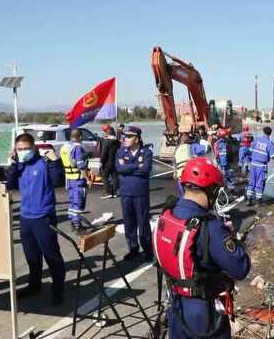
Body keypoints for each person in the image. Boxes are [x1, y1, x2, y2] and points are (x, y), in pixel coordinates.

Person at [153, 157, 250, 338]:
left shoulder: (167, 215)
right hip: (203, 310)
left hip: (175, 304)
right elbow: (240, 268)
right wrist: (235, 242)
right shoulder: (210, 226)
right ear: (211, 190)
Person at [6, 133, 66, 306]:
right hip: (26, 217)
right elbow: (10, 184)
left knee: (51, 255)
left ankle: (58, 290)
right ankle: (34, 286)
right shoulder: (20, 165)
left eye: (26, 148)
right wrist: (13, 163)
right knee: (31, 256)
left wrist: (55, 162)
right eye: (19, 149)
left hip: (43, 217)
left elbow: (58, 181)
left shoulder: (44, 164)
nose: (23, 152)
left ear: (34, 148)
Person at [116, 126, 153, 262]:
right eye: (124, 136)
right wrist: (137, 166)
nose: (125, 139)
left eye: (129, 136)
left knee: (143, 222)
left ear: (137, 139)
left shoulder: (147, 152)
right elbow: (119, 169)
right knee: (129, 222)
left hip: (140, 193)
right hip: (126, 193)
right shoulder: (121, 151)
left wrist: (128, 167)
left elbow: (146, 170)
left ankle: (148, 250)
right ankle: (133, 249)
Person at [60, 129, 89, 231]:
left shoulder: (65, 147)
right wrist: (87, 179)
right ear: (80, 137)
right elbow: (81, 165)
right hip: (78, 179)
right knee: (78, 202)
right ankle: (77, 225)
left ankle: (72, 221)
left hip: (69, 179)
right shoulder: (77, 148)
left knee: (72, 202)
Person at [246, 126, 274, 206]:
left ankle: (249, 199)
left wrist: (248, 161)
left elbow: (249, 151)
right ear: (270, 134)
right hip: (261, 166)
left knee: (251, 182)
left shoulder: (257, 140)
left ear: (263, 132)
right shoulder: (270, 143)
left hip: (253, 164)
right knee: (260, 183)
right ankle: (259, 201)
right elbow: (273, 156)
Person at [174, 131, 211, 197]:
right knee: (193, 197)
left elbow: (174, 163)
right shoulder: (193, 146)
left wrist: (175, 174)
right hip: (189, 176)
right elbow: (207, 149)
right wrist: (209, 142)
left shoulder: (177, 149)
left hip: (180, 176)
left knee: (183, 197)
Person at [99, 124, 120, 199]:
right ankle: (115, 192)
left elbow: (103, 153)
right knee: (115, 177)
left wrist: (101, 162)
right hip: (114, 161)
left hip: (107, 162)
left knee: (105, 177)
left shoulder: (106, 141)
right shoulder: (117, 141)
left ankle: (108, 192)